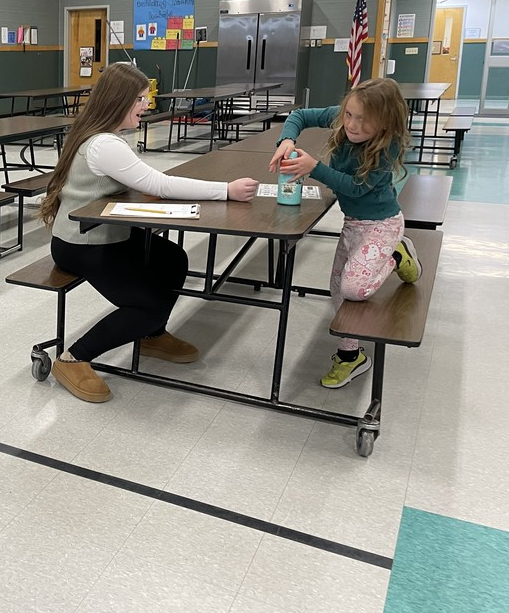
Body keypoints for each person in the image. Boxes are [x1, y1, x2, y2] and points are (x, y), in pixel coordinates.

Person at [38, 62, 259, 403]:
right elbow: (159, 183)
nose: (147, 105)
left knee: (172, 259)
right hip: (81, 243)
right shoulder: (103, 145)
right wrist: (225, 190)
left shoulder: (108, 137)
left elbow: (142, 181)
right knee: (148, 305)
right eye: (141, 99)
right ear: (119, 101)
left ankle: (151, 335)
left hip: (107, 232)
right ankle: (74, 358)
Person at [268, 77, 420, 390]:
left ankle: (396, 254)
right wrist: (286, 140)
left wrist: (314, 167)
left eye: (363, 119)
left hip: (382, 224)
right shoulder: (345, 115)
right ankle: (351, 357)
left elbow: (356, 187)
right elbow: (300, 116)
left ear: (385, 122)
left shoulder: (387, 147)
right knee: (337, 289)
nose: (351, 124)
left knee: (354, 287)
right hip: (353, 224)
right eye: (349, 115)